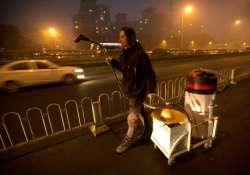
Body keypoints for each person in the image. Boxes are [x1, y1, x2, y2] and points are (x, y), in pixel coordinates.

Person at [107, 27, 157, 154]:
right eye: (120, 36)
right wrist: (113, 63)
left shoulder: (140, 54)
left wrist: (151, 90)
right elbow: (125, 69)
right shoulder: (123, 53)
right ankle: (149, 132)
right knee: (141, 112)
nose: (120, 39)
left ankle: (127, 140)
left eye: (123, 36)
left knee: (132, 117)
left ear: (131, 37)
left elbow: (149, 73)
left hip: (137, 90)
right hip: (129, 89)